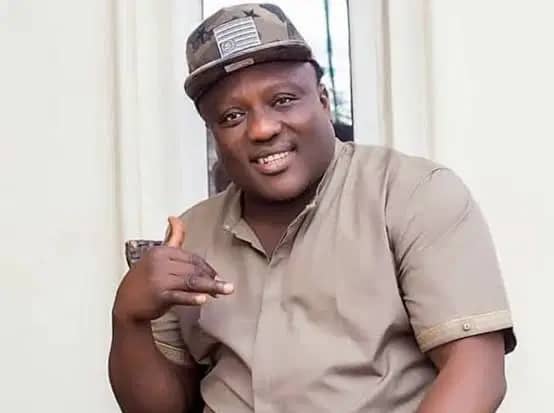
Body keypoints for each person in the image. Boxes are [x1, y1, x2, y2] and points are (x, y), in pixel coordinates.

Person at [109, 3, 516, 413]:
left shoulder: (412, 194)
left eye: (283, 100)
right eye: (232, 116)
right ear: (213, 133)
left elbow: (475, 371)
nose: (262, 129)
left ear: (323, 100)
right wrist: (129, 318)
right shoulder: (192, 234)